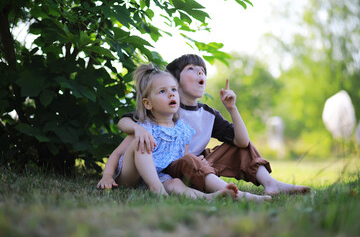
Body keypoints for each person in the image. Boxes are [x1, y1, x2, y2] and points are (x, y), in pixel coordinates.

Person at [116, 54, 310, 198]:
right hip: (174, 167)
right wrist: (137, 128)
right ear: (174, 80)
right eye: (191, 69)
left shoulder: (208, 114)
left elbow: (242, 142)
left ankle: (270, 183)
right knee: (190, 160)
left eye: (202, 70)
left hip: (201, 165)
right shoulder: (164, 109)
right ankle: (231, 193)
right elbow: (126, 121)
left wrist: (232, 108)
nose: (200, 72)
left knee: (242, 146)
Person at [97, 63, 238, 200]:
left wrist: (196, 161)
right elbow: (116, 154)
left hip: (160, 177)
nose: (171, 94)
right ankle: (157, 190)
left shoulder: (184, 131)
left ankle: (208, 197)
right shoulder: (144, 128)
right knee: (140, 143)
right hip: (130, 177)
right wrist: (107, 176)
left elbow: (181, 162)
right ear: (148, 103)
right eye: (162, 91)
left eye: (173, 90)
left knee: (175, 183)